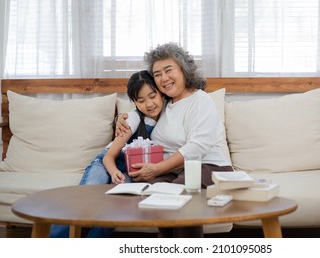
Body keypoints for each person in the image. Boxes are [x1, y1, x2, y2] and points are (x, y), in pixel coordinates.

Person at [116, 42, 233, 237]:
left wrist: (157, 168)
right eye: (157, 74)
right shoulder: (165, 103)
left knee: (179, 194)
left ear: (184, 70)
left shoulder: (200, 100)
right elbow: (142, 108)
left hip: (208, 167)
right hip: (175, 169)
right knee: (150, 191)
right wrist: (121, 118)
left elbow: (198, 146)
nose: (164, 78)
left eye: (168, 70)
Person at [49, 70, 165, 238]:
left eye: (153, 96)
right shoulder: (133, 119)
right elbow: (109, 156)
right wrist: (113, 172)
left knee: (114, 208)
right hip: (105, 163)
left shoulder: (168, 116)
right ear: (134, 102)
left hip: (129, 170)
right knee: (87, 195)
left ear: (161, 93)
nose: (149, 104)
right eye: (141, 100)